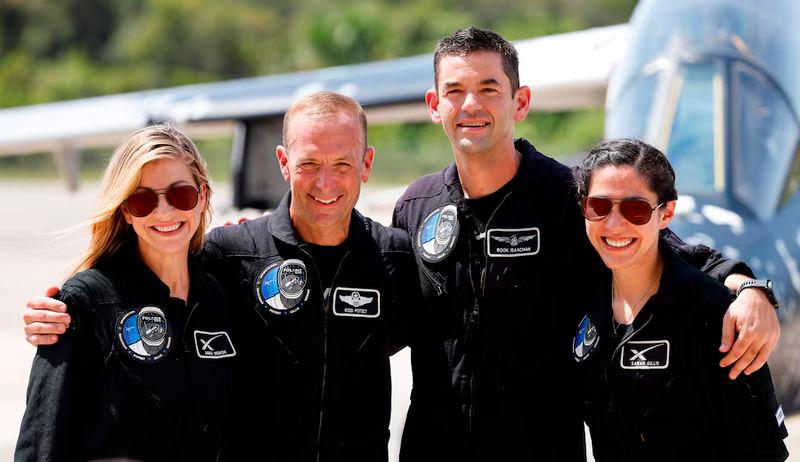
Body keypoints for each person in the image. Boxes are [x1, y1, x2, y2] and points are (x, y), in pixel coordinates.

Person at [391, 27, 781, 460]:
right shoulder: (417, 206)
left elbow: (665, 249)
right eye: (455, 90)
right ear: (433, 105)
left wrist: (751, 289)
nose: (471, 104)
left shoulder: (567, 196)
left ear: (520, 102)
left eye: (488, 88)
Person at [21, 91, 420, 462]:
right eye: (309, 164)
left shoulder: (395, 257)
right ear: (283, 163)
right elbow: (45, 435)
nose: (326, 182)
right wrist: (60, 312)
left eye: (181, 196)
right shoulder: (231, 257)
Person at [15, 125, 235, 461]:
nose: (164, 212)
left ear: (202, 196)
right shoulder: (85, 302)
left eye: (181, 195)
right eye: (143, 200)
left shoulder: (223, 295)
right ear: (126, 211)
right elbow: (42, 444)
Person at [574, 138, 788, 460]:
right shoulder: (582, 300)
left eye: (636, 209)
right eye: (599, 207)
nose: (614, 224)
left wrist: (754, 288)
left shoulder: (717, 316)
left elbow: (761, 451)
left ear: (666, 213)